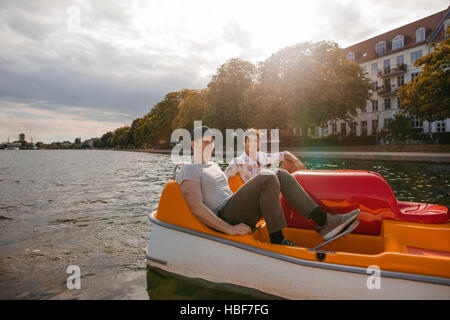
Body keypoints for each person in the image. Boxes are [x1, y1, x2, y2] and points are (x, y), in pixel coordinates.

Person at [177, 126, 360, 246]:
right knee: (267, 176)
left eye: (212, 141)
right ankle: (278, 239)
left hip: (234, 207)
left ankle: (325, 221)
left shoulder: (213, 166)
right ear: (193, 144)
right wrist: (229, 229)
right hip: (226, 216)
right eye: (205, 141)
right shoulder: (189, 170)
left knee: (279, 174)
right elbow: (196, 207)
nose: (210, 144)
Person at [224, 128, 305, 182]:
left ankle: (307, 186)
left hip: (269, 187)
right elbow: (223, 179)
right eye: (250, 141)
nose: (253, 144)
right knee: (279, 174)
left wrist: (297, 161)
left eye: (256, 141)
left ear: (259, 144)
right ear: (244, 143)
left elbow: (284, 154)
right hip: (253, 195)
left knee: (289, 162)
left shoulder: (262, 156)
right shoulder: (236, 162)